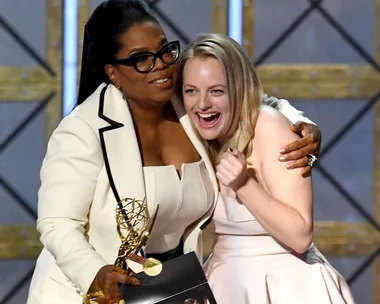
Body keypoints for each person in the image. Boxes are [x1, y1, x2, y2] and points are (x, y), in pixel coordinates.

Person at [26, 1, 321, 303]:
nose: (161, 66)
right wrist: (95, 275)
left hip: (165, 292)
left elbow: (245, 98)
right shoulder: (83, 129)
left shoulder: (185, 97)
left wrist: (301, 124)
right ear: (113, 73)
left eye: (164, 50)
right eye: (141, 59)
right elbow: (57, 224)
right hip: (84, 294)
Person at [177, 33, 355, 304]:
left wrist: (244, 185)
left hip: (287, 287)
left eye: (217, 91)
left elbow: (300, 235)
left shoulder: (269, 127)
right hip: (224, 283)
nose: (202, 104)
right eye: (191, 91)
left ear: (238, 89)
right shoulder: (191, 129)